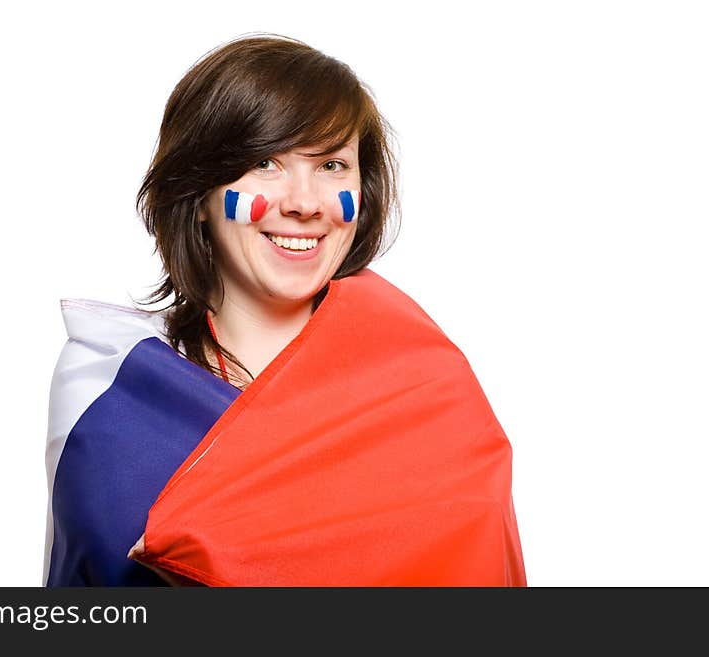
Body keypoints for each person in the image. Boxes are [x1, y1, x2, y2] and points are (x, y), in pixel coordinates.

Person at [43, 34, 527, 586]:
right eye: (265, 163)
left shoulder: (424, 380)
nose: (304, 202)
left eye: (332, 166)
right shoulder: (112, 385)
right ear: (199, 193)